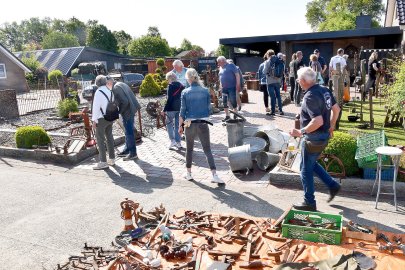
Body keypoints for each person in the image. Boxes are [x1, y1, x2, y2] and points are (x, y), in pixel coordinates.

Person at [289, 67, 341, 211]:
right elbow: (336, 109)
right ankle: (333, 185)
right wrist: (331, 126)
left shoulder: (310, 96)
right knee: (310, 164)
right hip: (324, 136)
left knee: (305, 169)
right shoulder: (325, 90)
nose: (298, 82)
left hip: (313, 138)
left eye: (299, 79)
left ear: (304, 81)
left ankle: (309, 202)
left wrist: (300, 131)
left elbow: (317, 121)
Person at [178, 68, 224, 184]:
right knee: (207, 149)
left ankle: (188, 173)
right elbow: (209, 109)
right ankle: (214, 174)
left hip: (189, 122)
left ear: (188, 78)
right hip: (203, 122)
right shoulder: (205, 91)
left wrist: (180, 126)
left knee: (189, 149)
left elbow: (182, 112)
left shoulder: (185, 92)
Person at [106, 76, 141, 161]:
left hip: (128, 112)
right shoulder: (120, 84)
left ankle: (133, 154)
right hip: (132, 109)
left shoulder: (116, 88)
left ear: (109, 83)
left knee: (129, 133)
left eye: (106, 85)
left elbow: (125, 101)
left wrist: (119, 112)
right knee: (127, 131)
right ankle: (127, 150)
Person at [91, 75, 116, 170]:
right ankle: (112, 159)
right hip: (110, 117)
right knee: (109, 137)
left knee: (100, 139)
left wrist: (94, 120)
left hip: (101, 119)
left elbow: (96, 107)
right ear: (105, 82)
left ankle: (103, 162)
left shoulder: (98, 92)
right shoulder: (110, 91)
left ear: (97, 83)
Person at [163, 72, 185, 149]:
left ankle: (172, 141)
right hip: (180, 108)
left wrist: (164, 109)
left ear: (169, 78)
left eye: (167, 79)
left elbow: (169, 99)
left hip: (171, 108)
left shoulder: (170, 86)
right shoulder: (182, 86)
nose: (167, 81)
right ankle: (178, 142)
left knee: (169, 124)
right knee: (178, 125)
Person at [217, 56, 241, 121]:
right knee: (224, 102)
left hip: (231, 87)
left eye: (218, 62)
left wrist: (238, 84)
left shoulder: (231, 65)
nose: (218, 64)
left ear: (223, 61)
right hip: (224, 88)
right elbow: (220, 77)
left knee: (233, 101)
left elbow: (237, 75)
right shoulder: (220, 68)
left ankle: (235, 114)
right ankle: (227, 116)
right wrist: (220, 86)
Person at [263, 49, 284, 115]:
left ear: (268, 55)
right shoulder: (279, 60)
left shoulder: (267, 62)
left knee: (272, 97)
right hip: (277, 81)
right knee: (278, 96)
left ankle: (273, 111)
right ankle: (280, 110)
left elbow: (264, 71)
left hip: (270, 82)